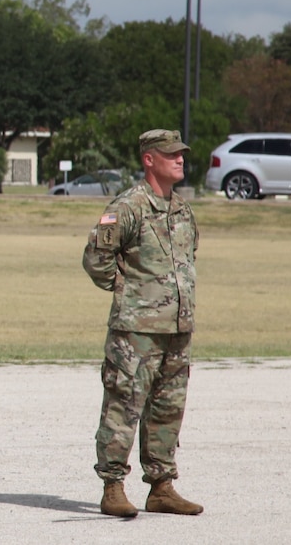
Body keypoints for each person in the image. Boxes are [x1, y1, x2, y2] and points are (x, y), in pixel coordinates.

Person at [83, 129, 204, 519]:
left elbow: (189, 258)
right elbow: (96, 258)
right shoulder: (129, 206)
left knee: (168, 409)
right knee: (123, 406)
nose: (180, 159)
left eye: (181, 153)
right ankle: (113, 486)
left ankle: (161, 487)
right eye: (171, 154)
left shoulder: (183, 211)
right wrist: (127, 290)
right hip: (135, 333)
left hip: (177, 330)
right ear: (149, 159)